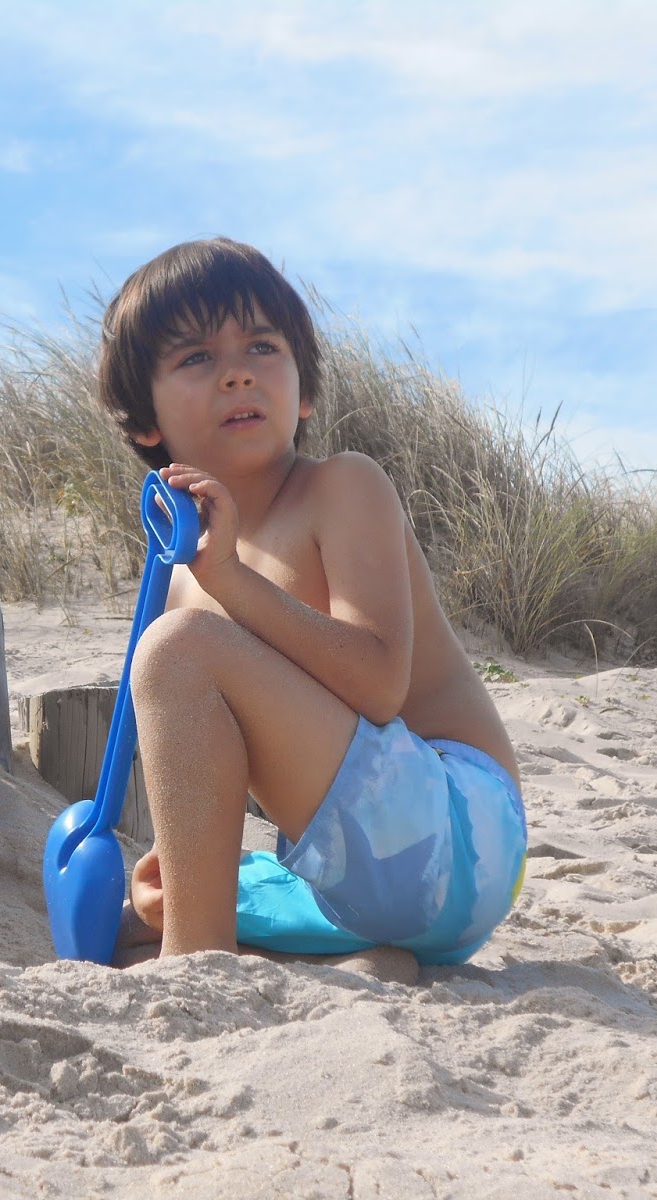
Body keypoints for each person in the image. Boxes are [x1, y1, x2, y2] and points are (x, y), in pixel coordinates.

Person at [96, 236, 527, 965]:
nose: (237, 373)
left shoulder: (341, 488)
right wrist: (184, 861)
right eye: (197, 357)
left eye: (262, 347)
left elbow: (379, 684)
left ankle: (196, 963)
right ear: (145, 420)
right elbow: (228, 756)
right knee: (141, 914)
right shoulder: (181, 571)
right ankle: (357, 955)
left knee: (174, 648)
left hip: (459, 832)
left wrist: (233, 579)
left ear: (304, 393)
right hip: (362, 868)